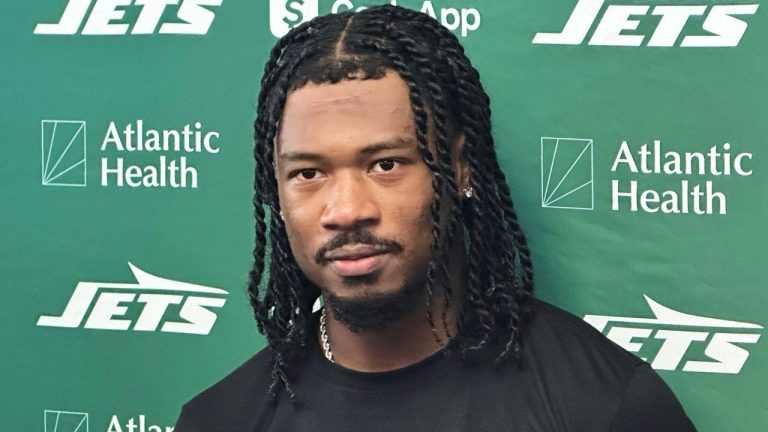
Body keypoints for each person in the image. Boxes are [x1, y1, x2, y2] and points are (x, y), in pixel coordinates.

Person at [175, 5, 696, 431]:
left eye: (385, 164)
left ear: (460, 168)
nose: (347, 210)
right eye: (309, 173)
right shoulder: (220, 418)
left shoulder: (601, 406)